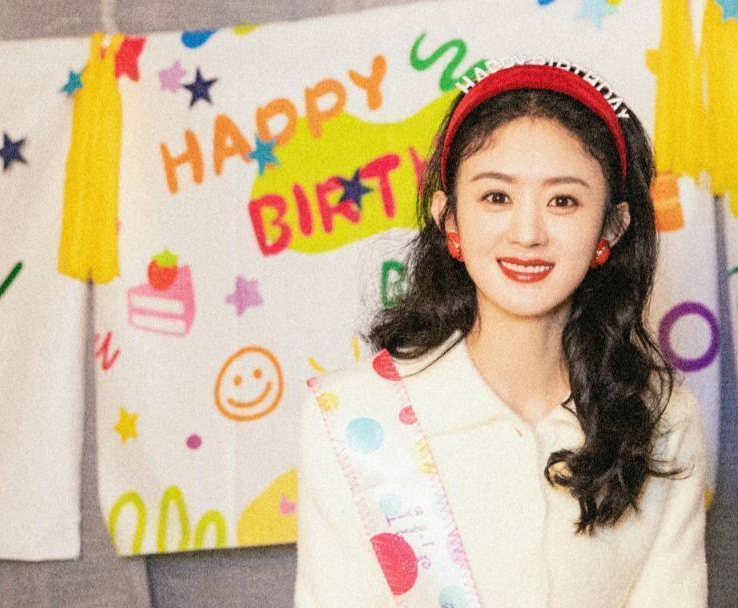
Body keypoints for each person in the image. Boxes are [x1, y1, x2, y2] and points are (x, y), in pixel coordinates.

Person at [294, 59, 708, 607]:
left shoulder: (661, 418)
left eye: (563, 201)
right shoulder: (351, 414)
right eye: (496, 197)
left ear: (611, 226)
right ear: (449, 218)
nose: (527, 233)